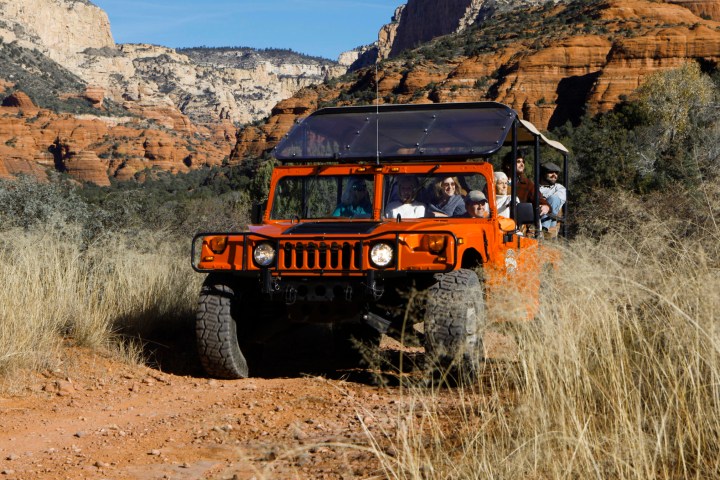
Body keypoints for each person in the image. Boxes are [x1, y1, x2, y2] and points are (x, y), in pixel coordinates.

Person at [502, 149, 550, 217]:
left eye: (523, 162)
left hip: (518, 223)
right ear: (508, 165)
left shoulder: (527, 184)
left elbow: (540, 200)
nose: (522, 164)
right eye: (518, 162)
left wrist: (546, 206)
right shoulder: (496, 181)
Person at [538, 162, 566, 230]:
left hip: (550, 220)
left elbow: (556, 200)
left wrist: (542, 202)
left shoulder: (559, 188)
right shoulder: (533, 187)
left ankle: (544, 229)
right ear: (543, 173)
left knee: (554, 198)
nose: (554, 175)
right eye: (550, 172)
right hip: (534, 216)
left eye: (556, 173)